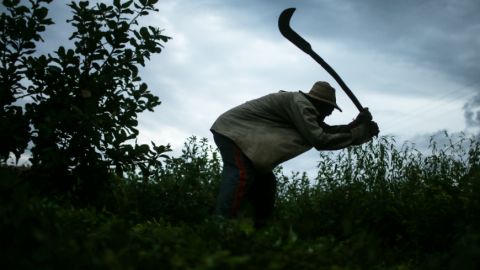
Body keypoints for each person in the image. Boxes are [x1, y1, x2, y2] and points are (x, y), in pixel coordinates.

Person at [210, 81, 379, 227]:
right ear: (320, 103)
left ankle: (259, 234)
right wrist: (361, 132)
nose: (330, 113)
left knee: (266, 185)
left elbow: (325, 130)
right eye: (330, 109)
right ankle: (221, 226)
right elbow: (321, 139)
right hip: (232, 133)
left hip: (238, 136)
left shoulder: (302, 108)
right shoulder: (301, 104)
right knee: (241, 175)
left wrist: (356, 125)